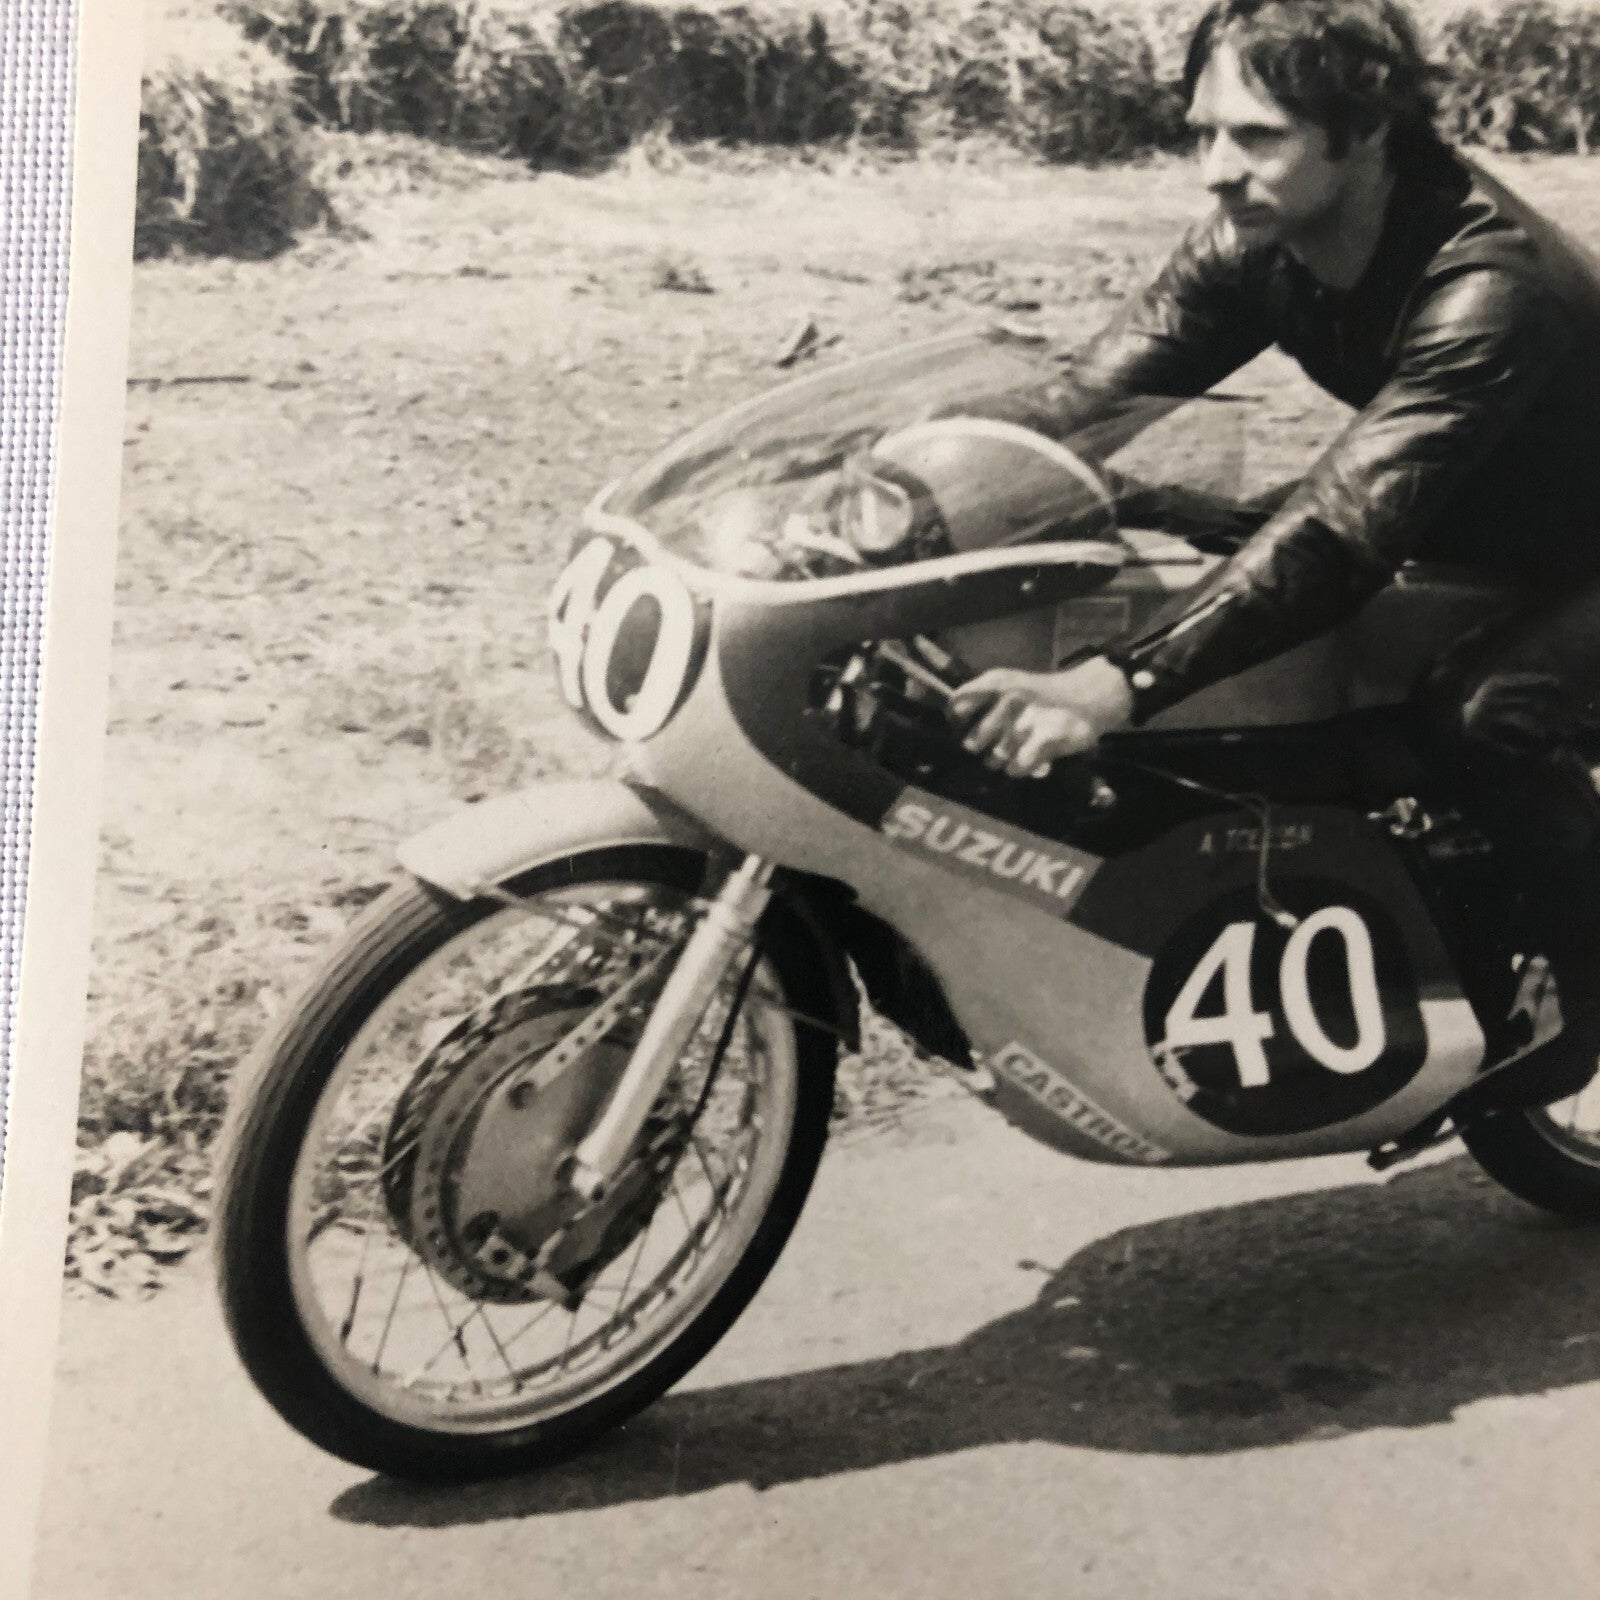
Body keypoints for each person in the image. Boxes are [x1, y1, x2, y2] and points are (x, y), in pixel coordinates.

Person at [948, 0, 1600, 1106]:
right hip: (1482, 509)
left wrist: (1114, 685)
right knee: (1176, 531)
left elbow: (1344, 530)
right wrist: (884, 476)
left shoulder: (1491, 283)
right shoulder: (1256, 240)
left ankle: (1587, 995)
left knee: (1483, 712)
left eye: (1257, 137)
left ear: (1368, 129)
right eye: (1202, 133)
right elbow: (1085, 403)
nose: (1215, 170)